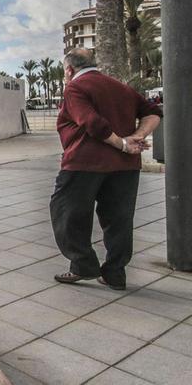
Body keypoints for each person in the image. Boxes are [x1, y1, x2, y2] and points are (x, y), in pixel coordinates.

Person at [50, 48, 162, 290]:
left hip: (84, 163)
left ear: (69, 69)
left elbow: (92, 123)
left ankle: (83, 266)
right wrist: (137, 136)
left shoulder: (75, 88)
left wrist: (123, 143)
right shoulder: (120, 87)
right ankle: (115, 273)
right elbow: (153, 112)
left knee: (66, 213)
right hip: (125, 167)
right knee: (119, 220)